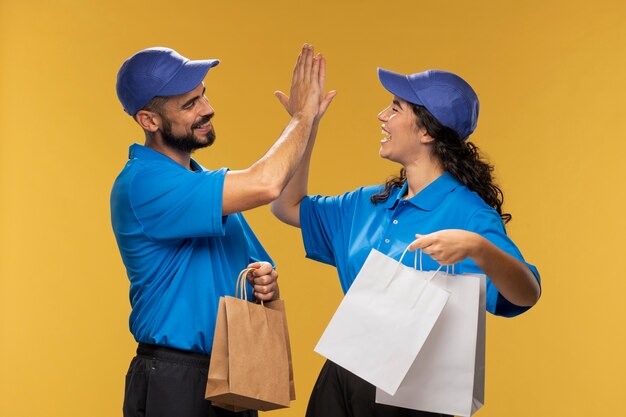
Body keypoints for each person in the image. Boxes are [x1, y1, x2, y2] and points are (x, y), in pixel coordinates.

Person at [270, 68, 542, 417]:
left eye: (396, 107)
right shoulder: (368, 204)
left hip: (416, 398)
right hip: (344, 376)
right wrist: (305, 123)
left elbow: (527, 294)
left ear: (427, 131)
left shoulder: (470, 216)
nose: (382, 115)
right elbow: (286, 205)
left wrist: (479, 248)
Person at [110, 45, 335, 417]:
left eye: (202, 95)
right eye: (189, 104)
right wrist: (303, 116)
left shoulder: (199, 182)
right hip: (175, 377)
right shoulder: (143, 183)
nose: (207, 108)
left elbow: (249, 266)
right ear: (149, 121)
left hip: (233, 372)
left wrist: (262, 280)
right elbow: (265, 184)